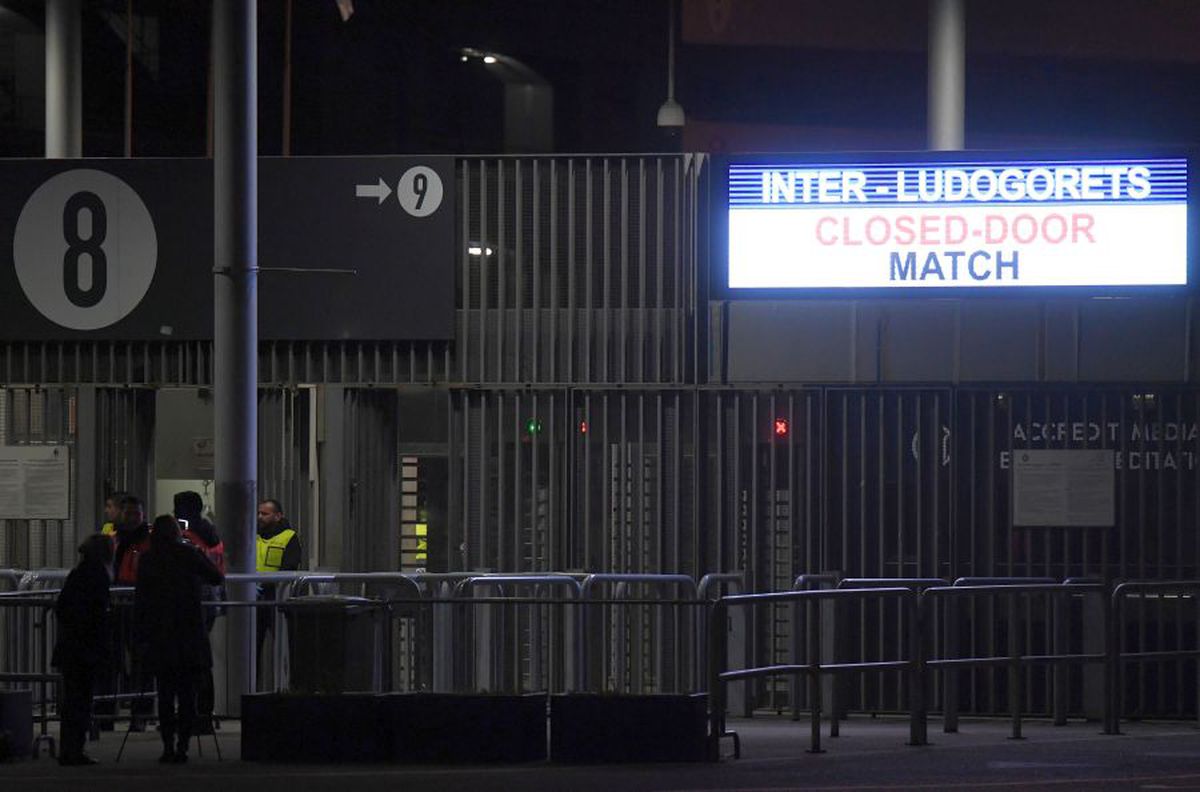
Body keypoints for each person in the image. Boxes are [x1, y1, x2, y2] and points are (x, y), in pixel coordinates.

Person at [134, 515, 224, 764]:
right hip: (189, 631)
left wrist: (140, 634)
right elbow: (216, 577)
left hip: (160, 634)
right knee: (187, 694)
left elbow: (141, 599)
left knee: (165, 693)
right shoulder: (189, 554)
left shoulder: (148, 559)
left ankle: (167, 746)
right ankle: (183, 746)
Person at [51, 535, 113, 766]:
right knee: (81, 699)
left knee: (73, 699)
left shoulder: (79, 573)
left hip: (72, 645)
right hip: (86, 647)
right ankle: (75, 749)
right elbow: (98, 612)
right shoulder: (98, 575)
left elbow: (63, 607)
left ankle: (70, 748)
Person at [174, 490, 225, 732]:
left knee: (187, 661)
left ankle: (192, 714)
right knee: (202, 659)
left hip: (190, 601)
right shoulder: (210, 531)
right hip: (210, 600)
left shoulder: (186, 534)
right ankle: (203, 714)